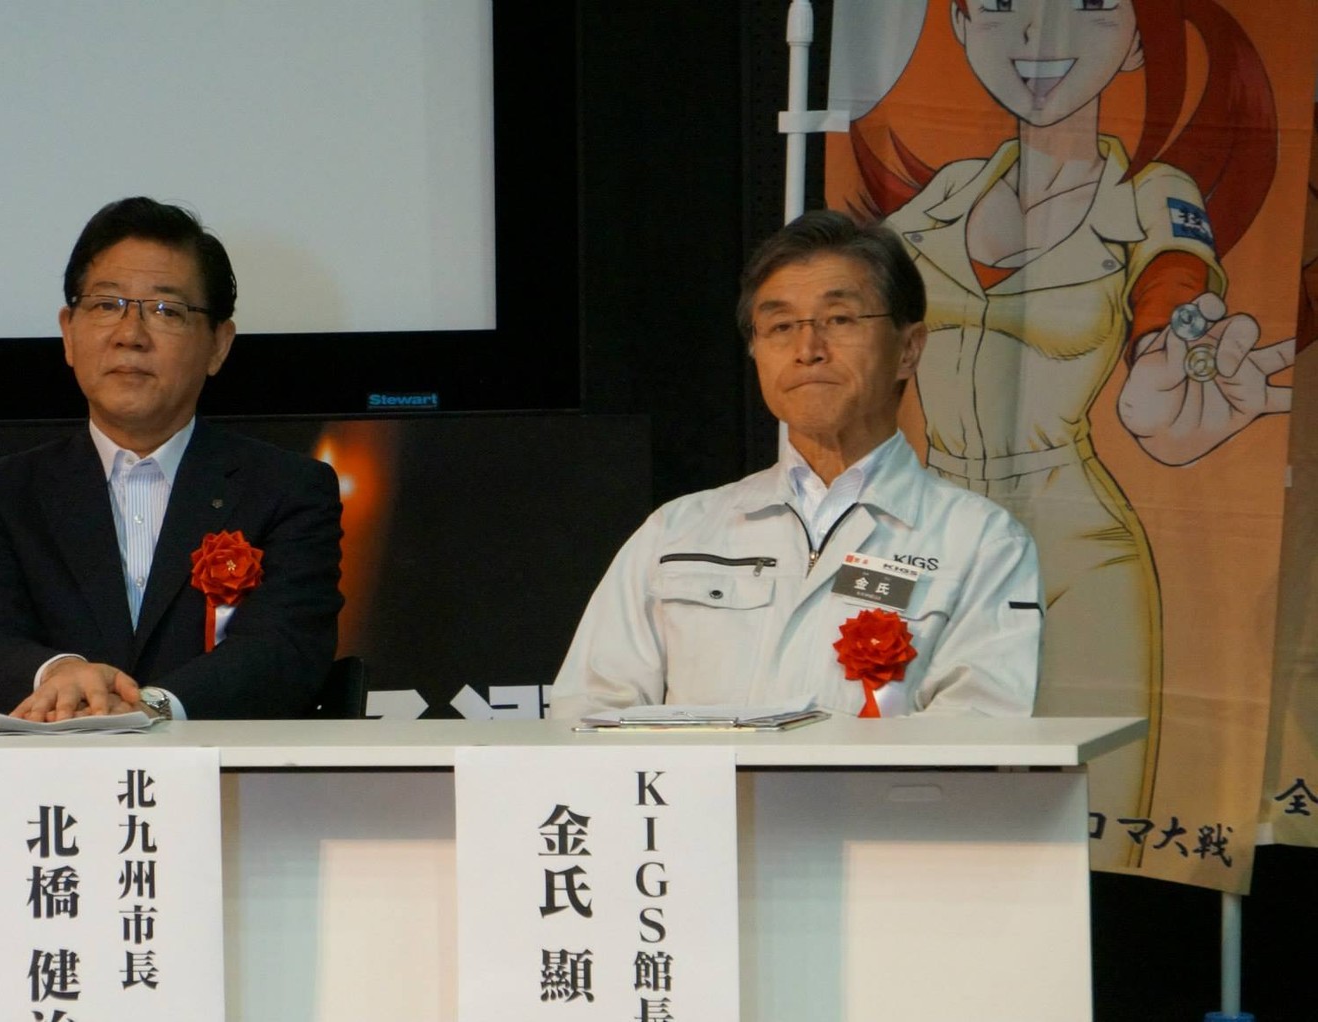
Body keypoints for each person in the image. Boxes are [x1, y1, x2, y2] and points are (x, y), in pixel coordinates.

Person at [849, 0, 1291, 827]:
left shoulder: (1151, 194)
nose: (1035, 34)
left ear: (1138, 43)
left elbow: (1174, 278)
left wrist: (1165, 358)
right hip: (920, 533)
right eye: (998, 4)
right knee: (887, 796)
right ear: (958, 25)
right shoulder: (944, 196)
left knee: (1081, 821)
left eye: (1090, 5)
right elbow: (847, 312)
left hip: (1078, 552)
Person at [550, 210, 1041, 720]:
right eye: (781, 326)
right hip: (699, 780)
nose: (808, 350)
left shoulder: (982, 543)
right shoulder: (676, 532)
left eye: (840, 319)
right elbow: (588, 713)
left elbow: (979, 735)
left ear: (908, 349)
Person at [0, 197, 343, 720]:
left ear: (219, 345)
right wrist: (61, 674)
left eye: (165, 311)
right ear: (68, 333)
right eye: (105, 305)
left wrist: (150, 708)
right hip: (50, 767)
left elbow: (284, 651)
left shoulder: (288, 490)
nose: (130, 335)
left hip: (223, 765)